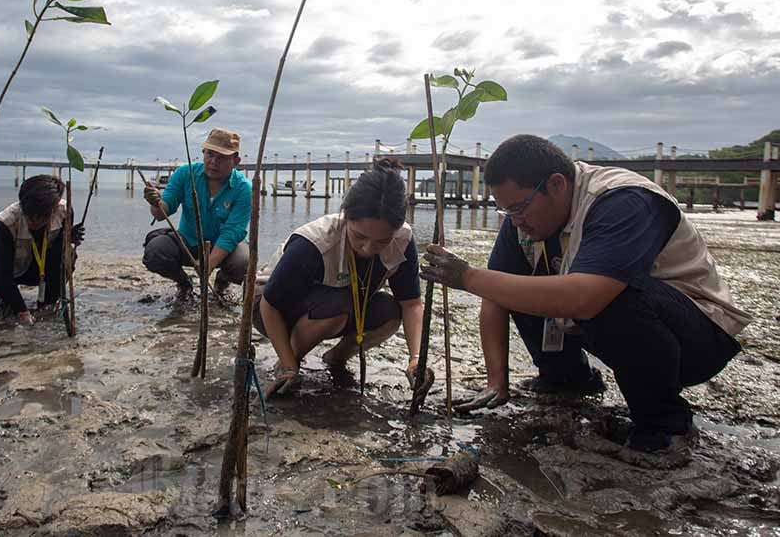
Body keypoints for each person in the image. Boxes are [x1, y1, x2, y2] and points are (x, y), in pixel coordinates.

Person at [420, 134, 749, 458]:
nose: (517, 223)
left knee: (612, 298)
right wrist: (496, 380)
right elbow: (494, 295)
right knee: (512, 284)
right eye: (508, 213)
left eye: (519, 209)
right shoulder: (523, 221)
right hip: (631, 323)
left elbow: (586, 298)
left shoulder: (622, 201)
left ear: (557, 185)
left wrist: (467, 276)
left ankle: (663, 424)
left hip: (697, 335)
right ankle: (567, 380)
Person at [253, 157, 424, 397]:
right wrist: (290, 365)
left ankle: (335, 358)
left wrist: (416, 358)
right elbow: (270, 305)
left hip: (338, 303)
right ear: (345, 216)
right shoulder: (313, 243)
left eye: (382, 241)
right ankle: (288, 361)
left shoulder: (402, 240)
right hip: (267, 305)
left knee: (389, 312)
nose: (368, 249)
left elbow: (412, 304)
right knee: (338, 306)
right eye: (360, 237)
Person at [142, 127, 252, 300]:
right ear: (203, 153)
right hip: (188, 241)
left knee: (244, 261)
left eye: (222, 157)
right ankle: (183, 283)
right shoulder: (186, 173)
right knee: (155, 251)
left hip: (224, 247)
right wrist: (155, 202)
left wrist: (210, 263)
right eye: (210, 154)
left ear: (236, 161)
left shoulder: (244, 188)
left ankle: (222, 282)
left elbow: (233, 231)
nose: (213, 162)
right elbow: (162, 213)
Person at [0, 175, 84, 325]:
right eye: (29, 217)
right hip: (11, 268)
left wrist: (69, 236)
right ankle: (9, 299)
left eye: (40, 218)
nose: (34, 222)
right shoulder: (6, 222)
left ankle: (48, 303)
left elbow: (59, 248)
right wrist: (22, 311)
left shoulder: (63, 211)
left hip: (38, 267)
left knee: (67, 256)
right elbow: (4, 273)